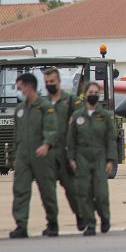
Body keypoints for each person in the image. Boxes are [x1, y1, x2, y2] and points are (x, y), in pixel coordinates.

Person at [9, 72, 59, 238]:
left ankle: (52, 223)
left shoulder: (45, 107)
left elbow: (52, 129)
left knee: (47, 191)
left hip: (42, 156)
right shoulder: (19, 110)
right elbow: (17, 135)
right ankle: (21, 225)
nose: (18, 91)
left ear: (29, 87)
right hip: (23, 157)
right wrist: (16, 156)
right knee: (20, 190)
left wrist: (46, 145)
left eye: (20, 88)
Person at [68, 82, 117, 234]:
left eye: (96, 92)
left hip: (100, 158)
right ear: (85, 94)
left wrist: (111, 160)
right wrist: (71, 158)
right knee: (84, 194)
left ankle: (105, 218)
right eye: (91, 92)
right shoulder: (77, 117)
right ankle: (90, 224)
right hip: (82, 158)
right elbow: (71, 139)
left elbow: (111, 139)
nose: (93, 95)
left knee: (101, 194)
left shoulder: (105, 116)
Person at [43, 67, 83, 230]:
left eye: (52, 81)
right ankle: (52, 223)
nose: (49, 84)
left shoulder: (71, 101)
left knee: (72, 190)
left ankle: (81, 216)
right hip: (48, 153)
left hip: (66, 152)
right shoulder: (42, 103)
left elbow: (79, 124)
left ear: (59, 81)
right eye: (47, 82)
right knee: (48, 193)